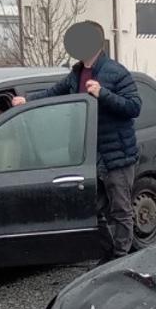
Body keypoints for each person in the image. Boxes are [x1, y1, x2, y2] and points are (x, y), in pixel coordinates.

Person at [14, 23, 142, 258]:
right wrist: (27, 101)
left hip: (116, 156)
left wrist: (103, 93)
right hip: (88, 155)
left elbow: (134, 107)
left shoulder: (116, 72)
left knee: (121, 209)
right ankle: (108, 252)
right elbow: (53, 93)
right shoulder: (76, 74)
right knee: (94, 209)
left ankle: (121, 258)